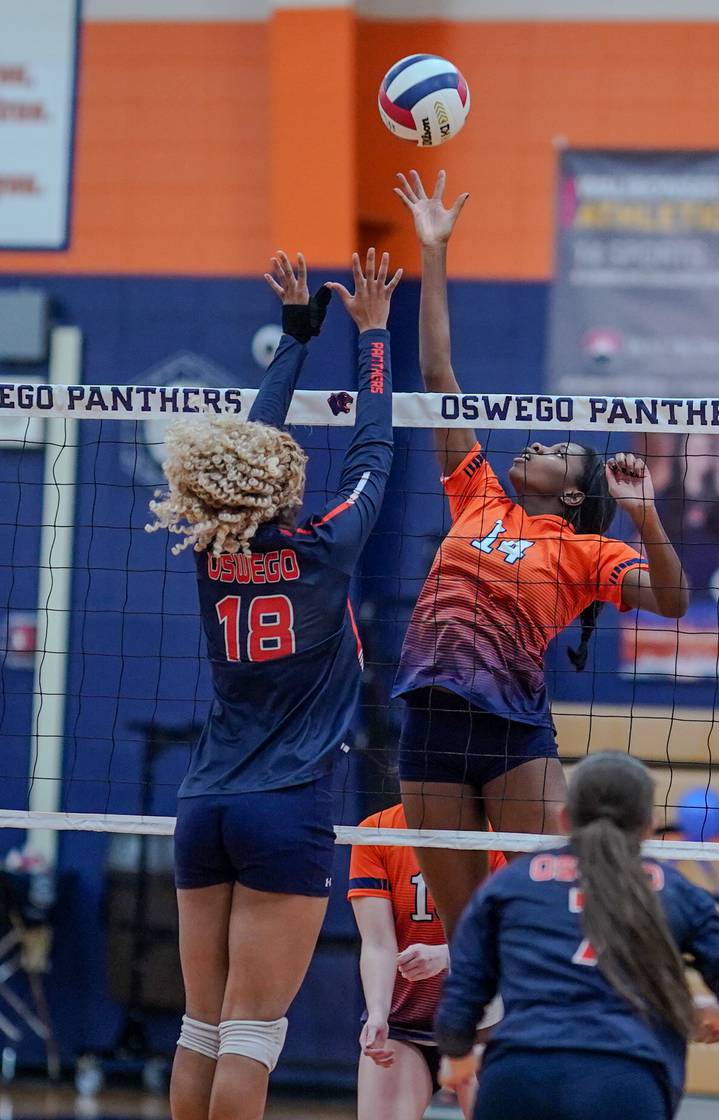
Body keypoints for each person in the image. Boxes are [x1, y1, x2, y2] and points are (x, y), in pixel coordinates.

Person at [392, 169, 689, 938]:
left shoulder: (587, 551)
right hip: (428, 722)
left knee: (540, 923)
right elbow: (436, 378)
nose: (538, 444)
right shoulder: (477, 494)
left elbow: (673, 601)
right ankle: (470, 1056)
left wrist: (646, 519)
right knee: (464, 936)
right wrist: (434, 253)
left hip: (512, 735)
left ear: (569, 494)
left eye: (558, 448)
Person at [147, 248, 402, 1120]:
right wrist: (373, 339)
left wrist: (294, 340)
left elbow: (244, 453)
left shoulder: (212, 550)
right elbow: (375, 444)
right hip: (285, 805)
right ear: (283, 486)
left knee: (200, 1028)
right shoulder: (326, 548)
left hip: (206, 801)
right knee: (253, 1033)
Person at [435, 752, 719, 1120]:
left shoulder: (509, 884)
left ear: (564, 819)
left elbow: (460, 1001)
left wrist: (458, 1058)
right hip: (625, 1082)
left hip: (518, 1078)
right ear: (649, 826)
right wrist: (718, 1015)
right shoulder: (678, 894)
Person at [348, 803, 504, 1120]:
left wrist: (446, 956)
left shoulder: (498, 833)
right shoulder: (378, 830)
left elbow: (508, 939)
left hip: (486, 1025)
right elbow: (377, 942)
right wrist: (378, 1013)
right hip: (406, 1025)